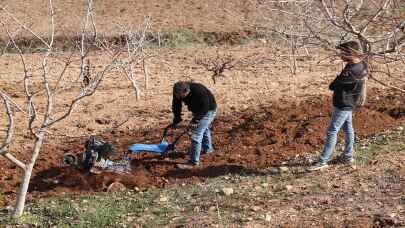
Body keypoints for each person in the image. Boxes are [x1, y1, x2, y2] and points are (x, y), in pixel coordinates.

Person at [308, 41, 368, 171]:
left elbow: (333, 86)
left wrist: (337, 80)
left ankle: (323, 160)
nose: (340, 54)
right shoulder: (362, 64)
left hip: (343, 104)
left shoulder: (351, 70)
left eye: (343, 52)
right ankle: (347, 156)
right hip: (349, 102)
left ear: (351, 53)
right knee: (348, 129)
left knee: (331, 131)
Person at [171, 81, 217, 169]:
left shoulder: (199, 91)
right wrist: (177, 118)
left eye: (181, 96)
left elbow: (205, 107)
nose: (179, 98)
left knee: (196, 135)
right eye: (177, 95)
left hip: (208, 110)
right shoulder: (177, 90)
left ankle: (193, 162)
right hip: (197, 110)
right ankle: (208, 149)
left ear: (187, 91)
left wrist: (196, 120)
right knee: (204, 129)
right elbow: (176, 104)